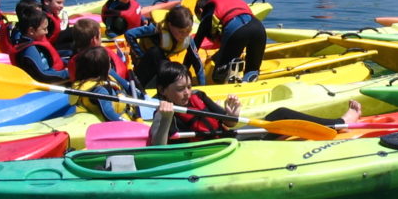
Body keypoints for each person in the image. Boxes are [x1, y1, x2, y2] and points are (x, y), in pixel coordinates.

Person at [147, 63, 361, 145]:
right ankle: (341, 121)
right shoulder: (162, 113)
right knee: (280, 115)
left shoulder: (199, 96)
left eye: (188, 86)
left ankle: (339, 123)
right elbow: (159, 148)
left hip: (231, 137)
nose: (187, 93)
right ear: (163, 91)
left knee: (280, 112)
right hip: (222, 149)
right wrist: (166, 118)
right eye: (180, 89)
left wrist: (231, 113)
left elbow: (229, 124)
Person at [125, 4, 206, 89]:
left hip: (162, 67)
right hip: (145, 69)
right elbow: (129, 34)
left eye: (188, 31)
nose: (184, 35)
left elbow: (197, 64)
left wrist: (203, 88)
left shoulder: (188, 38)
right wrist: (140, 55)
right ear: (170, 25)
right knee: (156, 52)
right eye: (181, 32)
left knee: (184, 71)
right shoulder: (156, 29)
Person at [193, 0, 267, 83]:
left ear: (201, 11)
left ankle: (228, 69)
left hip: (237, 29)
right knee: (252, 69)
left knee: (217, 75)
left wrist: (184, 70)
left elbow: (193, 48)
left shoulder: (207, 15)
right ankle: (248, 77)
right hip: (259, 28)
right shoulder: (228, 5)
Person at [67, 45, 137, 122]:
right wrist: (129, 124)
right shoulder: (99, 90)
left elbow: (127, 86)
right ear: (105, 68)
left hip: (127, 112)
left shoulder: (84, 82)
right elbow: (109, 113)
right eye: (109, 62)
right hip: (120, 122)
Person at [7, 8, 69, 84]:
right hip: (51, 84)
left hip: (56, 74)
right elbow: (43, 75)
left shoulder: (28, 43)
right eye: (44, 29)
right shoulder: (30, 50)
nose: (47, 32)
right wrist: (68, 73)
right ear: (31, 31)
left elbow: (50, 60)